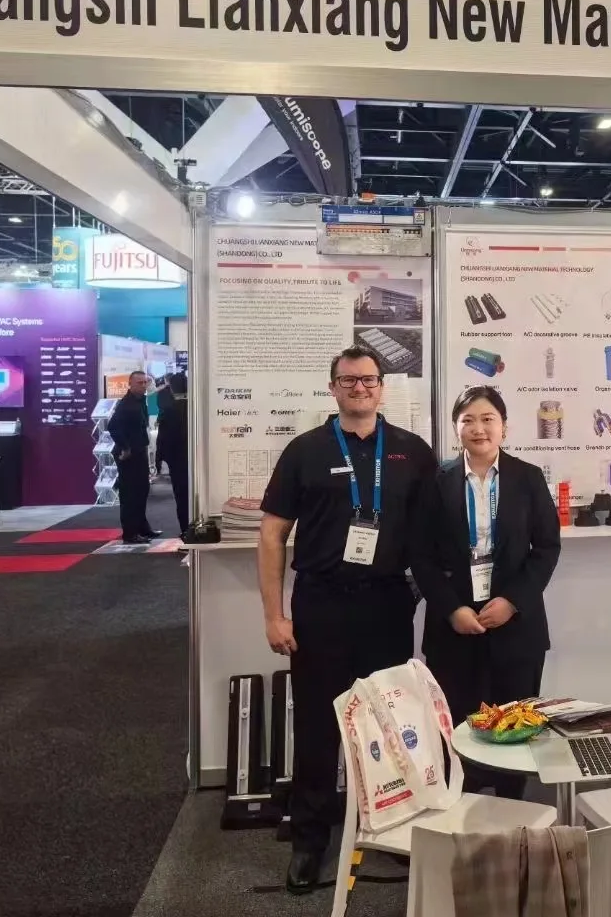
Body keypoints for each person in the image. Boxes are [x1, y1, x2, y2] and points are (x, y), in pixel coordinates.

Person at [256, 345, 438, 895]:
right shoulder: (304, 451)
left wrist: (426, 592)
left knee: (390, 722)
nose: (360, 388)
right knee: (318, 726)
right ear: (332, 387)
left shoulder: (412, 452)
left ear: (382, 387)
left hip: (387, 606)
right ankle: (310, 840)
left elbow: (433, 535)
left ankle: (393, 828)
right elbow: (272, 535)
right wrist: (274, 614)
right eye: (349, 380)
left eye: (369, 379)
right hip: (321, 606)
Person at [415, 386, 561, 800]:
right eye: (468, 421)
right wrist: (451, 609)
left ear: (504, 427)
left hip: (516, 626)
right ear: (456, 428)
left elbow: (547, 547)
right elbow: (419, 555)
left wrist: (513, 601)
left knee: (514, 726)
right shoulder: (435, 481)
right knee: (460, 728)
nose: (478, 428)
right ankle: (465, 807)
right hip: (455, 627)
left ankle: (512, 809)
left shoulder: (528, 478)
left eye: (487, 419)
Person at [107, 370, 157, 544]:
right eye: (139, 383)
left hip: (139, 450)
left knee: (142, 490)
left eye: (145, 382)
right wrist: (125, 447)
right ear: (130, 384)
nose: (143, 386)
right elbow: (112, 427)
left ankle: (142, 528)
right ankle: (130, 533)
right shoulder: (126, 404)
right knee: (130, 494)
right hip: (128, 455)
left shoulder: (141, 401)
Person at [154, 372, 189, 535]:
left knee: (181, 497)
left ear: (172, 389)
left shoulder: (168, 411)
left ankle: (185, 531)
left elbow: (162, 438)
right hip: (195, 461)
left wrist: (159, 460)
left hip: (176, 461)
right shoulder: (196, 408)